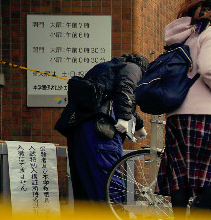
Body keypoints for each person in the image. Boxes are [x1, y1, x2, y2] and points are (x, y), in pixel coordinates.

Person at [155, 0, 211, 220]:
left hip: (175, 114)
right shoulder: (210, 32)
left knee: (180, 172)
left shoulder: (182, 36)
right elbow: (208, 68)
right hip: (203, 115)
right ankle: (201, 209)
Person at [56, 53, 147, 202]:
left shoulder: (106, 68)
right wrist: (124, 118)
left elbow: (113, 96)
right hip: (101, 127)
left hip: (79, 125)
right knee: (107, 174)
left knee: (84, 179)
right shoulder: (133, 68)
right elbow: (125, 89)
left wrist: (139, 125)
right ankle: (113, 217)